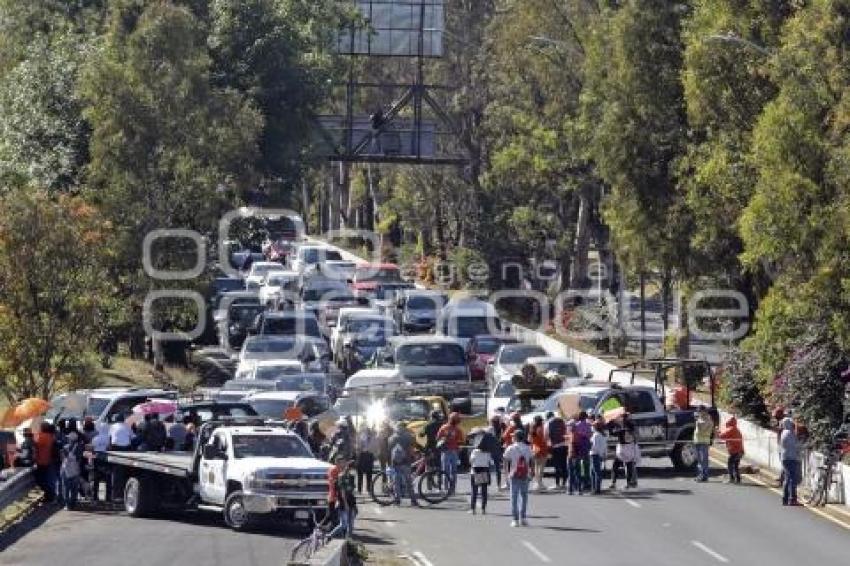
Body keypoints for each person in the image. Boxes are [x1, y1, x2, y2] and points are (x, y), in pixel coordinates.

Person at [503, 429, 533, 527]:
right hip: (525, 475)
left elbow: (506, 461)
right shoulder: (528, 448)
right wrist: (531, 472)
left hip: (514, 474)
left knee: (514, 497)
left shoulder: (511, 448)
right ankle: (523, 518)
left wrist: (506, 475)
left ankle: (515, 519)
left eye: (513, 436)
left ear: (515, 437)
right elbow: (531, 461)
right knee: (524, 497)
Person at [388, 422, 418, 506]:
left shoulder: (392, 437)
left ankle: (397, 500)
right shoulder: (409, 436)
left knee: (396, 481)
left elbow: (389, 448)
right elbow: (414, 445)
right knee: (408, 481)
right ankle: (413, 500)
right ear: (405, 427)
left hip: (395, 462)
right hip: (406, 461)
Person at [328, 456, 357, 539]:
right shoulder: (336, 472)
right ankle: (331, 536)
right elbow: (340, 489)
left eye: (344, 462)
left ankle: (346, 539)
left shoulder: (347, 475)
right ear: (337, 463)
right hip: (336, 499)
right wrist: (345, 503)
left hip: (346, 500)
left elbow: (351, 490)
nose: (344, 464)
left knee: (348, 523)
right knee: (340, 523)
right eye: (342, 462)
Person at [437, 412, 464, 496]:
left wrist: (445, 439)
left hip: (446, 451)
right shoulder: (457, 429)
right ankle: (452, 489)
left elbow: (438, 438)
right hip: (453, 451)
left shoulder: (444, 427)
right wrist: (455, 442)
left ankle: (446, 489)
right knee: (453, 471)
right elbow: (461, 440)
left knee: (446, 470)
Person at [611, 414, 639, 489]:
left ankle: (615, 482)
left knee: (617, 465)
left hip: (624, 448)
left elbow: (613, 433)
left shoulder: (623, 428)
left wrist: (612, 424)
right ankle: (628, 483)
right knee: (628, 465)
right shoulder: (631, 427)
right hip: (629, 447)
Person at [59, 431, 84, 510]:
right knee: (74, 489)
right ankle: (73, 504)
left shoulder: (65, 447)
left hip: (66, 470)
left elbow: (62, 458)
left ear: (70, 439)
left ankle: (67, 505)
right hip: (75, 470)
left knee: (66, 488)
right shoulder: (80, 448)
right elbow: (80, 459)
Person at [779, 417, 801, 506]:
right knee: (792, 479)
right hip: (791, 457)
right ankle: (792, 499)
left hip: (785, 457)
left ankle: (785, 498)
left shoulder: (783, 432)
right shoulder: (790, 433)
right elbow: (796, 445)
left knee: (787, 479)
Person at [34, 422, 58, 503]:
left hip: (41, 462)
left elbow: (35, 445)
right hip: (49, 461)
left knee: (40, 480)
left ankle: (48, 496)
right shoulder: (51, 436)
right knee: (48, 480)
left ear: (42, 428)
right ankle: (49, 496)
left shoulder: (42, 436)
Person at [545, 411, 568, 491]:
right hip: (564, 445)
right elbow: (566, 432)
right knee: (564, 465)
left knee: (557, 466)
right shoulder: (562, 421)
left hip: (555, 446)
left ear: (547, 417)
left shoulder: (548, 423)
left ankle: (557, 484)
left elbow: (546, 436)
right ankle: (564, 483)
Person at [718, 416, 744, 484]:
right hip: (739, 450)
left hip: (734, 450)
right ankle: (738, 479)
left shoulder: (731, 429)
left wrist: (717, 432)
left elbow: (722, 436)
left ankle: (731, 478)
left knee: (730, 464)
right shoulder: (737, 430)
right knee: (736, 465)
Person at [469, 443, 493, 515]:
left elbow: (471, 461)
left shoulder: (475, 451)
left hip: (475, 471)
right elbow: (490, 462)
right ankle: (483, 509)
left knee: (474, 491)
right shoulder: (487, 452)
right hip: (484, 470)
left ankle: (473, 509)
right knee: (484, 491)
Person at [693, 406, 714, 482]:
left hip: (704, 442)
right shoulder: (699, 419)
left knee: (703, 460)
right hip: (698, 441)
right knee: (699, 460)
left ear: (704, 411)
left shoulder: (708, 420)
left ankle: (704, 475)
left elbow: (702, 430)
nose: (699, 413)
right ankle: (700, 475)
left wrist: (698, 423)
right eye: (698, 411)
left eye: (700, 411)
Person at [356, 426, 378, 494]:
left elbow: (375, 448)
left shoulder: (373, 439)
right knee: (360, 474)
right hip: (361, 456)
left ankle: (368, 489)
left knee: (369, 474)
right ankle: (359, 490)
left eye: (368, 432)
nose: (367, 433)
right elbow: (357, 447)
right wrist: (361, 445)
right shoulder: (360, 438)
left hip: (369, 456)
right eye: (366, 432)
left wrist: (374, 453)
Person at [530, 415, 548, 492]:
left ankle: (537, 482)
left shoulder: (532, 429)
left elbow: (530, 440)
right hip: (542, 448)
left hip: (535, 448)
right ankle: (539, 482)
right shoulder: (541, 429)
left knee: (537, 466)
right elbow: (545, 439)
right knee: (541, 467)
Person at [486, 416, 505, 490]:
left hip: (490, 449)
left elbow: (487, 437)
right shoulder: (500, 429)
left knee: (487, 466)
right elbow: (501, 439)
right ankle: (498, 485)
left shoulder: (490, 428)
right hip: (497, 448)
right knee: (498, 468)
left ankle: (487, 481)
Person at [589, 419, 607, 494]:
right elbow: (604, 446)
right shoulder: (602, 435)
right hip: (598, 454)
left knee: (595, 472)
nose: (592, 427)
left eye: (593, 426)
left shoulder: (596, 435)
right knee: (594, 472)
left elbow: (595, 447)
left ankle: (597, 489)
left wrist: (589, 446)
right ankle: (594, 488)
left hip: (594, 454)